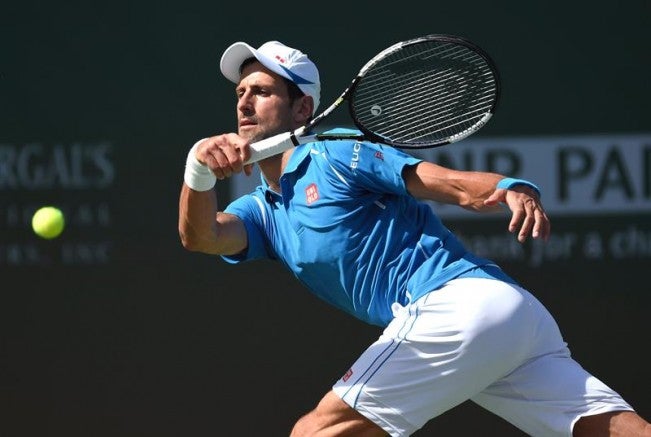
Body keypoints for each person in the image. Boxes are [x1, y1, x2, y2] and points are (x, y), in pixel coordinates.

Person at [178, 40, 650, 437]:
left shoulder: (336, 153)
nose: (243, 102)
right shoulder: (261, 210)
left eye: (261, 91)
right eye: (240, 92)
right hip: (513, 320)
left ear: (302, 107)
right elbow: (201, 236)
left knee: (316, 433)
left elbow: (446, 182)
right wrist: (198, 172)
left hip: (458, 305)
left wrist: (507, 187)